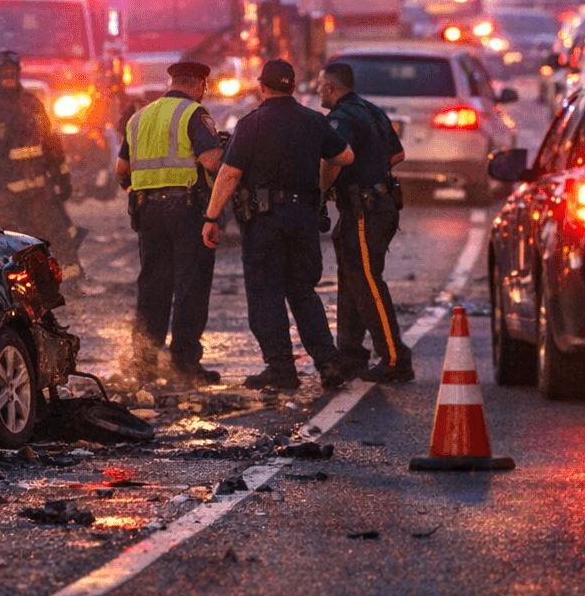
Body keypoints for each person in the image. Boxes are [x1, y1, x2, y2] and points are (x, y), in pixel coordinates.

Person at [201, 59, 354, 392]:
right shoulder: (313, 121)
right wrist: (322, 184)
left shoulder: (252, 124)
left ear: (263, 87)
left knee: (266, 293)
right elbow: (344, 157)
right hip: (303, 219)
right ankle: (328, 363)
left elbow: (229, 173)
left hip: (265, 222)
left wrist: (212, 218)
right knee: (302, 292)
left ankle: (281, 369)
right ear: (293, 86)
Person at [116, 59, 224, 386]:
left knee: (153, 286)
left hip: (148, 211)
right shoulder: (194, 114)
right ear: (198, 84)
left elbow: (122, 172)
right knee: (190, 286)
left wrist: (143, 193)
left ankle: (144, 364)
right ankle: (185, 365)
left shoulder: (139, 117)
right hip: (187, 210)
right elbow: (211, 161)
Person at [318, 62, 413, 382]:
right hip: (380, 204)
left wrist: (322, 189)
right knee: (353, 278)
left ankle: (395, 358)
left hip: (363, 210)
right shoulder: (372, 110)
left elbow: (334, 156)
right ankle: (351, 355)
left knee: (367, 281)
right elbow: (397, 155)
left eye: (320, 85)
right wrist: (373, 171)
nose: (317, 90)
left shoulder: (340, 118)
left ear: (331, 87)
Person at [0, 49, 83, 281]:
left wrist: (62, 175)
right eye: (3, 74)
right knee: (10, 245)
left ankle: (71, 287)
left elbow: (50, 143)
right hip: (2, 194)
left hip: (38, 191)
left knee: (59, 238)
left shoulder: (32, 103)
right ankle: (19, 291)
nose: (8, 78)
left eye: (12, 73)